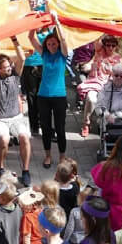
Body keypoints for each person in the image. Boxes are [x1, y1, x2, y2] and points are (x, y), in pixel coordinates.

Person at [0, 39, 32, 186]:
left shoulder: (15, 75)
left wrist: (15, 39)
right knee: (4, 139)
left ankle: (25, 171)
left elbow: (22, 58)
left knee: (24, 137)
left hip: (16, 118)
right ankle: (0, 168)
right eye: (5, 67)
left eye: (9, 66)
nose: (9, 69)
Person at [29, 23, 71, 168]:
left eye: (54, 44)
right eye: (49, 44)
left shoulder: (63, 54)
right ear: (46, 45)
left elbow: (64, 40)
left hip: (59, 96)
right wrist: (35, 22)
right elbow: (31, 37)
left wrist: (57, 22)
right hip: (43, 96)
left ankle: (62, 157)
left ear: (58, 44)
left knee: (60, 128)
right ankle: (47, 156)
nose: (51, 46)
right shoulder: (44, 54)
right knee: (46, 128)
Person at [79, 36, 122, 137]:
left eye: (113, 45)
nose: (110, 47)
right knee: (91, 99)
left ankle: (105, 124)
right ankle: (86, 123)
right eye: (108, 45)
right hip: (96, 82)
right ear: (104, 45)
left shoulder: (118, 58)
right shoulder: (99, 53)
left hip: (110, 85)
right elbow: (97, 41)